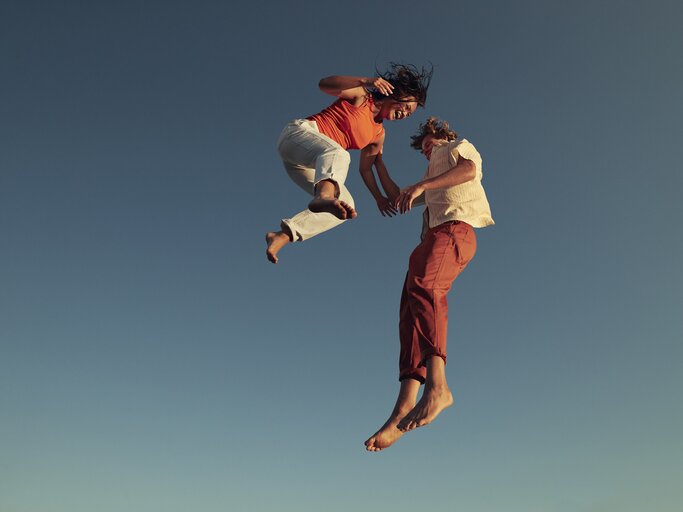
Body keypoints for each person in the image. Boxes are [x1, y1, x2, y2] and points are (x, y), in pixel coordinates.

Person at [365, 117, 494, 451]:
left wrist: (423, 186)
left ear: (442, 136)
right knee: (409, 312)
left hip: (457, 229)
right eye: (422, 150)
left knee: (425, 287)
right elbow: (397, 195)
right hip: (432, 238)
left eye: (428, 145)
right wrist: (379, 163)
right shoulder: (429, 176)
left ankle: (438, 388)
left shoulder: (457, 147)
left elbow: (468, 171)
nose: (426, 151)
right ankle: (402, 407)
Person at [265, 63, 433, 264]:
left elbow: (366, 168)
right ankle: (324, 195)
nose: (405, 114)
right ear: (395, 93)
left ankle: (283, 235)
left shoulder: (379, 134)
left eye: (409, 114)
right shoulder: (362, 96)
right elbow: (324, 84)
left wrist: (379, 198)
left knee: (345, 207)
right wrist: (367, 81)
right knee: (339, 153)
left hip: (306, 164)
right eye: (406, 107)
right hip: (298, 136)